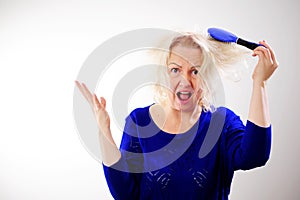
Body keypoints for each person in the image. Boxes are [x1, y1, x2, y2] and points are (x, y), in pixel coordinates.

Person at [75, 31, 278, 200]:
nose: (185, 80)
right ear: (164, 73)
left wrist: (259, 83)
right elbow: (126, 194)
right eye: (175, 70)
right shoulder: (139, 121)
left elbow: (254, 156)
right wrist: (103, 130)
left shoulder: (221, 123)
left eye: (195, 71)